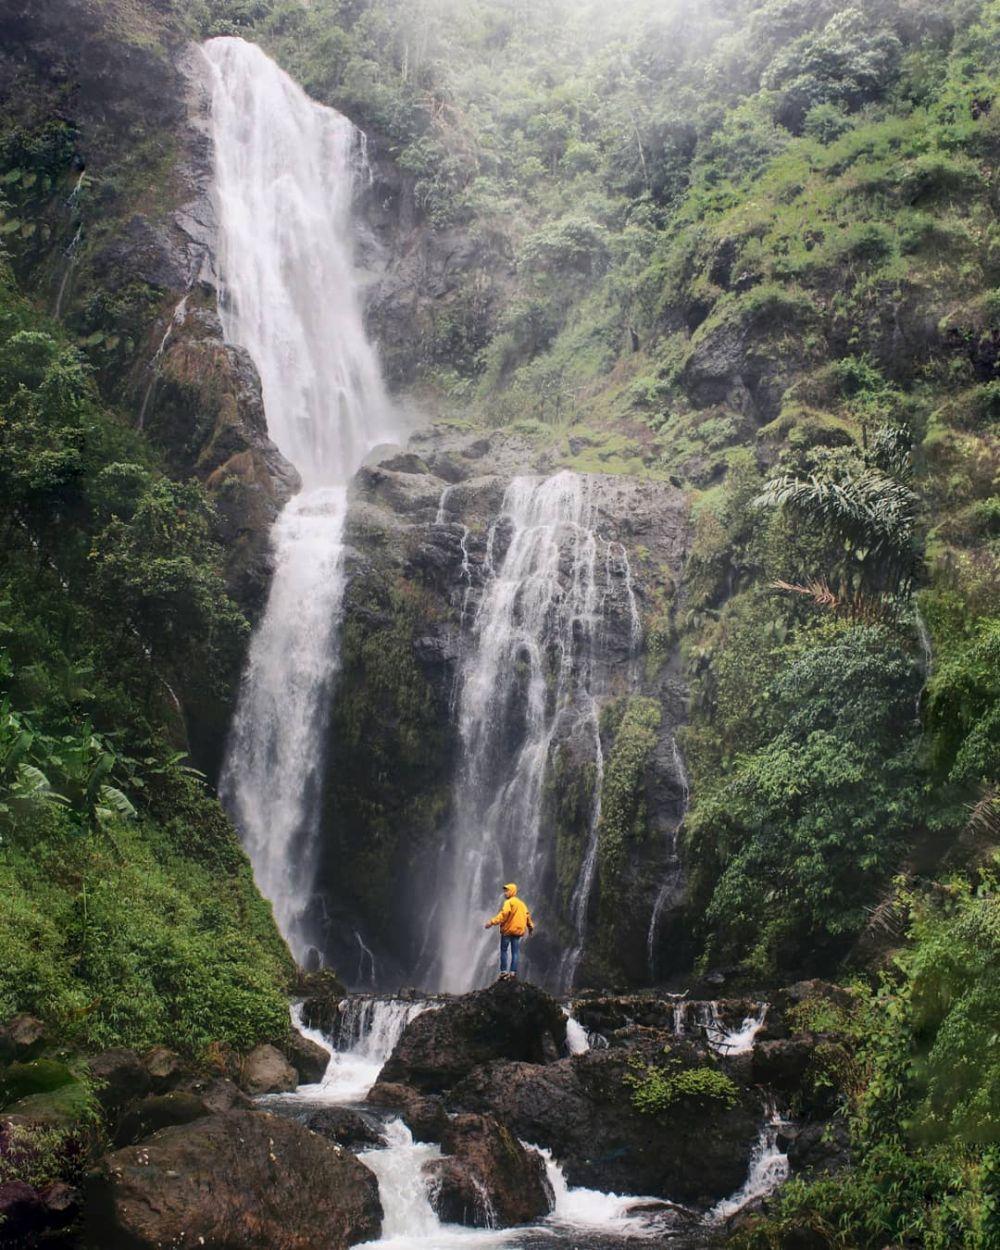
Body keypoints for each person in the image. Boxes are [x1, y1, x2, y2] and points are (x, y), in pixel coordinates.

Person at [484, 883, 534, 980]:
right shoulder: (522, 904)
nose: (505, 893)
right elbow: (528, 917)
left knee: (504, 950)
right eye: (505, 891)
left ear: (512, 891)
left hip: (507, 931)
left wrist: (491, 922)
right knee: (515, 952)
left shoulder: (509, 902)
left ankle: (503, 972)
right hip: (517, 932)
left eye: (507, 891)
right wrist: (530, 928)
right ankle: (513, 973)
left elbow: (503, 915)